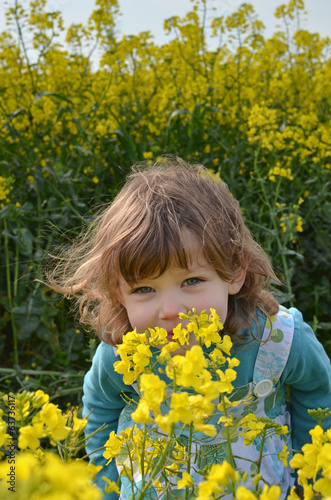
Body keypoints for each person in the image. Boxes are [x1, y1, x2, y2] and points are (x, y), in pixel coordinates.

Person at [48, 157, 331, 499]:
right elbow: (99, 412)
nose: (170, 311)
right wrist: (107, 488)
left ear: (235, 273)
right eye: (144, 289)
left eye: (192, 281)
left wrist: (312, 480)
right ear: (118, 293)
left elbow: (319, 396)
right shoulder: (125, 350)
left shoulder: (279, 341)